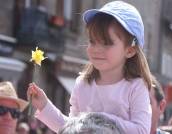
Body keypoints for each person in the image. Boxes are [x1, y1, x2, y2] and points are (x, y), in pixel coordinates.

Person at [27, 1, 152, 133]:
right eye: (92, 41)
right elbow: (71, 128)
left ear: (130, 51)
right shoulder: (82, 84)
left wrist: (98, 120)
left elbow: (141, 130)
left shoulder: (136, 86)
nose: (96, 49)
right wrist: (45, 106)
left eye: (106, 43)